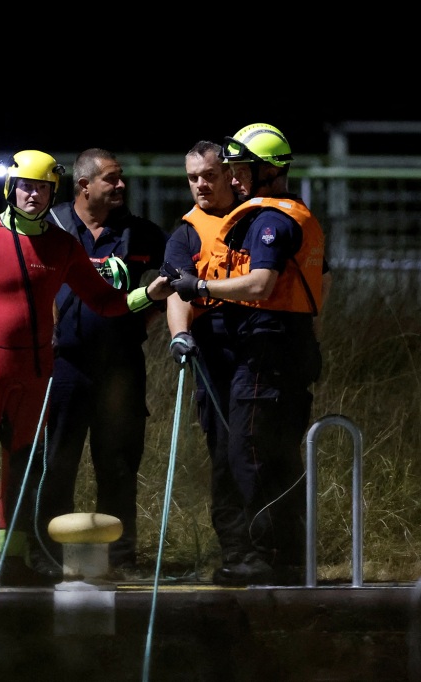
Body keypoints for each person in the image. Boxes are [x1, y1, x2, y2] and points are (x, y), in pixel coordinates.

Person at [0, 150, 172, 588]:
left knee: (24, 469)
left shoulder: (62, 245)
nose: (33, 194)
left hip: (36, 374)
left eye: (42, 187)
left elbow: (104, 301)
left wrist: (150, 295)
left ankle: (16, 556)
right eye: (25, 185)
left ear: (52, 193)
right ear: (11, 190)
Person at [168, 123, 328, 585]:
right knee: (270, 453)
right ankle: (285, 555)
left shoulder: (271, 220)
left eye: (240, 168)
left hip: (266, 349)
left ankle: (261, 554)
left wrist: (201, 285)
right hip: (273, 347)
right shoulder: (271, 215)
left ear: (265, 170)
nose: (232, 177)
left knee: (250, 452)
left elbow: (261, 284)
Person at [29, 149, 169, 581]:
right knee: (57, 462)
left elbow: (168, 284)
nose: (121, 185)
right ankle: (48, 557)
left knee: (119, 464)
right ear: (84, 185)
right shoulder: (48, 227)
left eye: (121, 177)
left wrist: (136, 322)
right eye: (111, 178)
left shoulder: (142, 232)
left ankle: (121, 559)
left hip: (121, 367)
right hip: (63, 367)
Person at [164, 141, 258, 585]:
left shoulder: (260, 219)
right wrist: (180, 335)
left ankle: (276, 548)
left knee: (261, 452)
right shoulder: (185, 234)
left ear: (229, 175)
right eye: (192, 177)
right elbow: (175, 291)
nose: (200, 184)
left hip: (259, 350)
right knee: (224, 453)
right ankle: (236, 550)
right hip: (215, 357)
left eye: (208, 175)